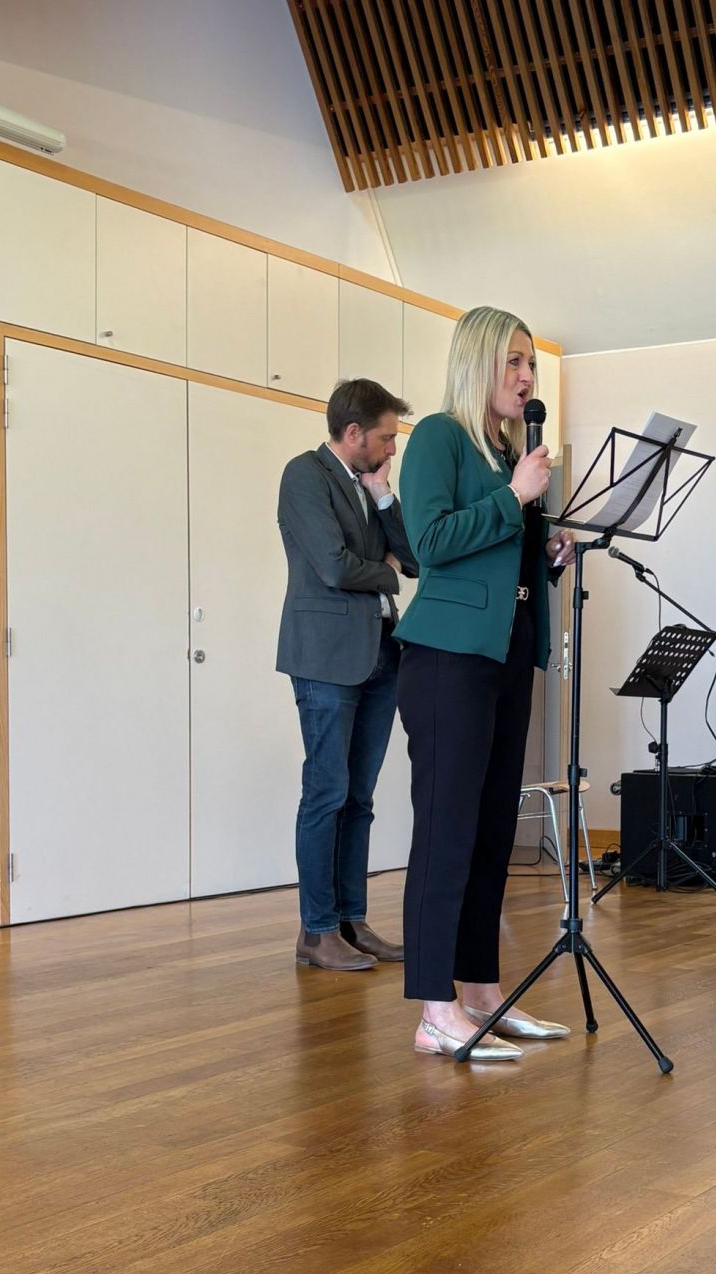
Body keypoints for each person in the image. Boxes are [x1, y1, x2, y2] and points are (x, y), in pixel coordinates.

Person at [394, 306, 576, 1060]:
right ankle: (434, 1009)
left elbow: (504, 557)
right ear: (478, 364)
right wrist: (516, 500)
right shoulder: (439, 437)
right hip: (447, 657)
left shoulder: (511, 456)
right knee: (446, 832)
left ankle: (479, 992)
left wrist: (549, 553)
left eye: (531, 363)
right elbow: (430, 541)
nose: (527, 377)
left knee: (492, 830)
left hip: (505, 654)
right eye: (513, 361)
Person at [277, 378, 418, 971]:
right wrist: (383, 570)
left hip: (380, 653)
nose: (392, 449)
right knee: (327, 793)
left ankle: (351, 922)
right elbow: (334, 568)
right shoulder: (304, 475)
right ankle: (316, 932)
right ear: (354, 432)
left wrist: (384, 498)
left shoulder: (369, 483)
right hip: (326, 658)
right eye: (386, 438)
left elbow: (413, 559)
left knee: (359, 798)